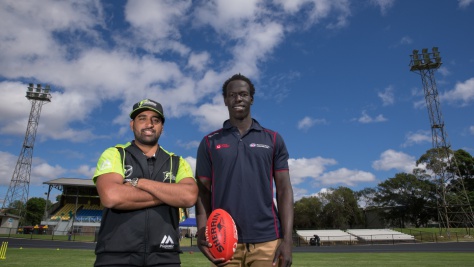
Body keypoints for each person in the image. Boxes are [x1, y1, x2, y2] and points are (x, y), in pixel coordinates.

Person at [195, 74, 294, 267]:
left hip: (268, 239)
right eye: (232, 95)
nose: (238, 99)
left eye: (243, 94)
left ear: (251, 98)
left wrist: (288, 240)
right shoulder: (209, 142)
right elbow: (202, 191)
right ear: (225, 100)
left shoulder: (273, 139)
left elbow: (284, 190)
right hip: (223, 240)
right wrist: (202, 230)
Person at [93, 99, 198, 267]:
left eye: (155, 120)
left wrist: (139, 182)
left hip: (165, 256)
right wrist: (170, 195)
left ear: (162, 128)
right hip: (116, 255)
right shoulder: (115, 154)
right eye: (142, 118)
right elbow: (111, 196)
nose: (149, 124)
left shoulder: (177, 161)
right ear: (132, 124)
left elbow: (189, 196)